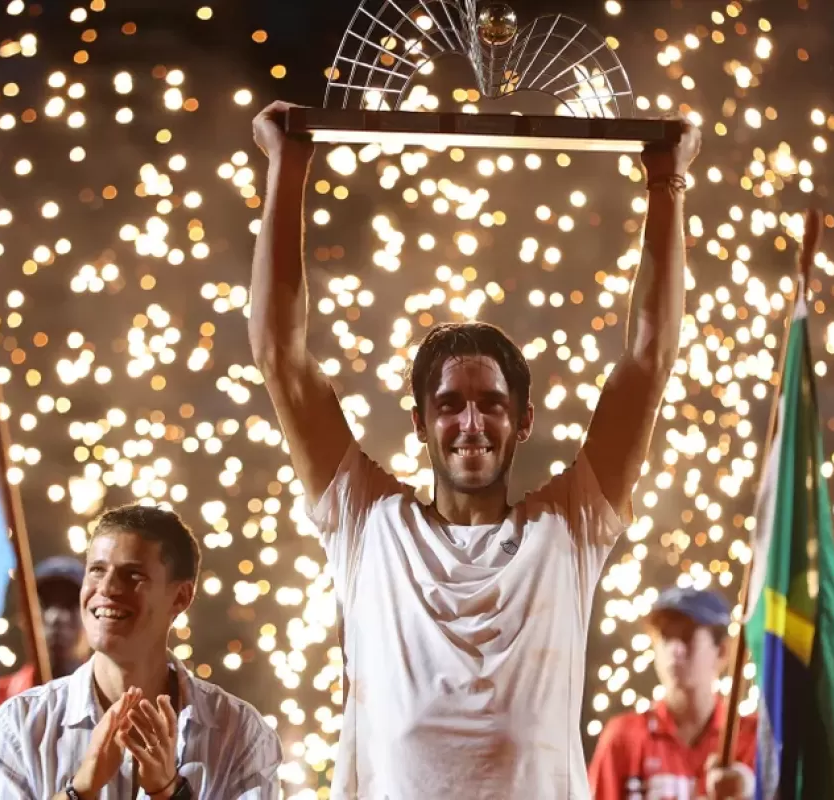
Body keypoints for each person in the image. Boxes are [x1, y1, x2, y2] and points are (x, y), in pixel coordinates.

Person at [249, 100, 699, 798]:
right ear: (421, 421)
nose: (470, 422)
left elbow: (648, 361)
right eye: (449, 404)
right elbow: (281, 355)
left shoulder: (568, 527)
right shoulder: (368, 523)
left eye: (491, 404)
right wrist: (288, 165)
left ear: (522, 422)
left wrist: (667, 185)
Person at [0, 504, 282, 799]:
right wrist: (80, 790)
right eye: (97, 570)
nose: (107, 590)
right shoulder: (20, 725)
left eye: (134, 575)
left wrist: (170, 792)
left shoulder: (239, 734)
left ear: (181, 597)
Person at [588, 586, 757, 800]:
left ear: (722, 651)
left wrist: (751, 792)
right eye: (665, 637)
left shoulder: (752, 739)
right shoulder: (623, 738)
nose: (674, 650)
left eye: (688, 638)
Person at [0, 556, 90, 704]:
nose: (56, 617)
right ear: (24, 619)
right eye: (45, 604)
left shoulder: (113, 705)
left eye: (70, 604)